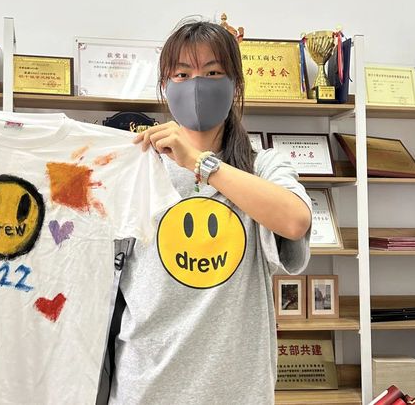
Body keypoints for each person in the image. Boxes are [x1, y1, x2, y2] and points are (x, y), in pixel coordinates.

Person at [107, 20, 312, 405]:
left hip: (237, 389)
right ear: (165, 87)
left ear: (236, 85)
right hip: (146, 385)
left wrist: (201, 163)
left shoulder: (263, 166)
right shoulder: (136, 168)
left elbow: (295, 220)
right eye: (182, 74)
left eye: (213, 72)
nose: (197, 84)